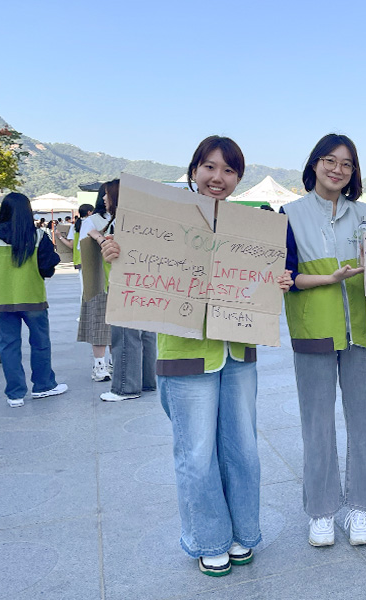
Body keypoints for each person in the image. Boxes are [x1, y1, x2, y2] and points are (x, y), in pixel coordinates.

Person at [101, 136, 293, 576]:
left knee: (243, 449)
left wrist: (274, 282)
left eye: (228, 171)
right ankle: (209, 540)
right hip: (186, 357)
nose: (217, 178)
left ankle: (245, 532)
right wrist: (116, 258)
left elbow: (258, 285)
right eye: (209, 167)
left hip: (238, 352)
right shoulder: (163, 220)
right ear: (193, 170)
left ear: (238, 178)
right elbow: (133, 287)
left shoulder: (251, 227)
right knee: (197, 452)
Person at [281, 134, 366, 547]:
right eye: (329, 160)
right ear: (314, 164)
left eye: (346, 164)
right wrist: (329, 278)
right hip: (313, 330)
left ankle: (362, 507)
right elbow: (286, 278)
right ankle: (321, 511)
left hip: (363, 329)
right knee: (317, 425)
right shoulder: (289, 214)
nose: (337, 169)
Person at [0, 193, 67, 407]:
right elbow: (47, 267)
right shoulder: (38, 236)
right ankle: (43, 386)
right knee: (41, 343)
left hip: (0, 300)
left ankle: (15, 394)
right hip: (32, 298)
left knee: (8, 346)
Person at [98, 179, 157, 403]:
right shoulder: (144, 221)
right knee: (146, 334)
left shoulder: (122, 223)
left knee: (125, 335)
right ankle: (146, 381)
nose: (104, 199)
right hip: (146, 284)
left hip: (126, 285)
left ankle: (125, 387)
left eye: (107, 194)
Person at [78, 186, 113, 381]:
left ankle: (115, 361)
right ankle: (100, 365)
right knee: (99, 325)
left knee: (118, 328)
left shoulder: (124, 218)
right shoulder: (92, 221)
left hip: (120, 282)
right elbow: (84, 250)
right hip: (99, 280)